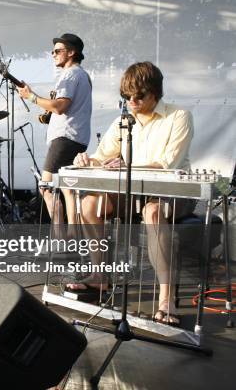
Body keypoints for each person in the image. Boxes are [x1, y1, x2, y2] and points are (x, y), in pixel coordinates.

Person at [69, 61, 194, 326]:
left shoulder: (179, 116)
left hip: (172, 190)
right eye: (127, 96)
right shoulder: (123, 122)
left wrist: (126, 165)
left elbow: (167, 165)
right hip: (132, 191)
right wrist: (87, 160)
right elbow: (102, 158)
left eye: (139, 96)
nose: (132, 101)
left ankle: (165, 299)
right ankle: (99, 276)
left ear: (156, 92)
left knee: (153, 211)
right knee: (90, 204)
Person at [17, 33, 92, 224]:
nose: (53, 54)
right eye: (52, 51)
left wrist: (31, 96)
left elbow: (60, 106)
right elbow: (63, 108)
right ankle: (71, 239)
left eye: (58, 51)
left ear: (72, 52)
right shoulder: (82, 75)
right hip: (75, 138)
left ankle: (59, 239)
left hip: (65, 139)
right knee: (66, 189)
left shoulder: (70, 74)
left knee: (47, 188)